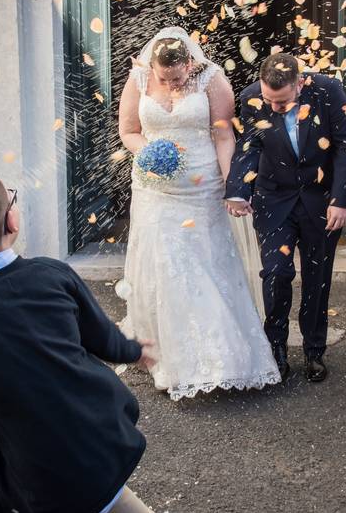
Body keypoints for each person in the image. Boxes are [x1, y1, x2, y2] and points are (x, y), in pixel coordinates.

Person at [0, 161, 156, 513]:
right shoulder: (52, 275)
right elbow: (103, 338)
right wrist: (133, 350)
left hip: (37, 473)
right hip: (103, 440)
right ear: (11, 222)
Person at [117, 27, 281, 398]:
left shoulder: (212, 78)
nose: (172, 85)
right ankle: (169, 357)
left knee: (205, 264)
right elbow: (129, 130)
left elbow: (224, 136)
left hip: (202, 186)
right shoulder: (139, 77)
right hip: (155, 188)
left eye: (177, 77)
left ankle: (218, 356)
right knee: (166, 264)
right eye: (165, 78)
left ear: (190, 62)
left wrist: (232, 186)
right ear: (153, 68)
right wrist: (147, 153)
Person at [226, 52, 346, 382]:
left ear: (300, 84)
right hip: (274, 200)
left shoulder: (329, 91)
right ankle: (277, 349)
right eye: (269, 100)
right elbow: (250, 145)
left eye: (282, 102)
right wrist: (238, 189)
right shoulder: (250, 96)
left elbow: (345, 145)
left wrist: (341, 200)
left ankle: (314, 352)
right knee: (275, 273)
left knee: (317, 278)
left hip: (321, 200)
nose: (274, 107)